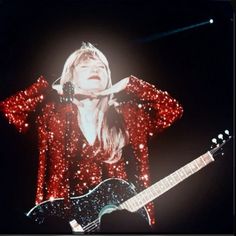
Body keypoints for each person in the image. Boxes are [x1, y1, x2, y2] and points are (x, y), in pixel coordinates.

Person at [0, 42, 183, 232]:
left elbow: (172, 110)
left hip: (119, 224)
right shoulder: (52, 116)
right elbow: (9, 110)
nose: (95, 70)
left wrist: (130, 84)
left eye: (101, 67)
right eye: (85, 66)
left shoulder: (127, 115)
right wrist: (49, 88)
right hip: (65, 224)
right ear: (70, 76)